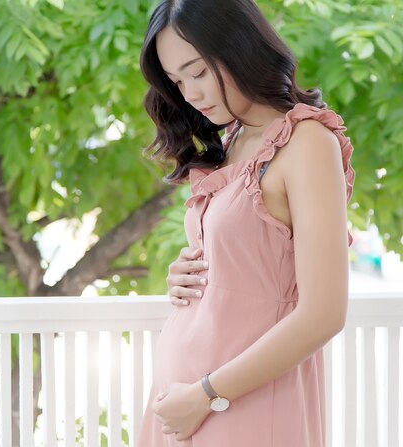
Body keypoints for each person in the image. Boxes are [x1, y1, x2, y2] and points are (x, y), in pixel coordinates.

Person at [137, 0, 356, 445]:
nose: (190, 94)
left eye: (197, 72)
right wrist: (189, 274)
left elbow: (323, 313)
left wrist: (207, 394)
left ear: (238, 49)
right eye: (177, 82)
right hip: (186, 404)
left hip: (238, 402)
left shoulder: (307, 142)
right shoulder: (235, 139)